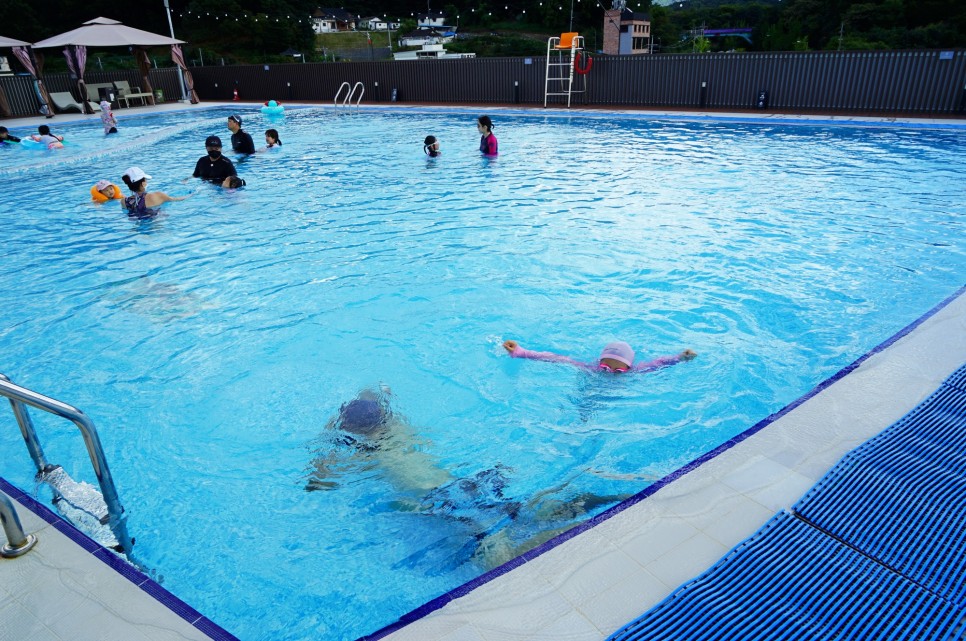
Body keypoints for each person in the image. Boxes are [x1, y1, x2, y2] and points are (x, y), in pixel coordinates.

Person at [502, 339, 696, 373]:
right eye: (605, 368)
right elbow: (554, 358)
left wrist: (681, 357)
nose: (610, 373)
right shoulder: (589, 369)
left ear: (628, 368)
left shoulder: (636, 372)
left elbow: (659, 363)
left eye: (618, 370)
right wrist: (521, 352)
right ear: (598, 363)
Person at [121, 166, 187, 218]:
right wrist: (193, 194)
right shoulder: (157, 196)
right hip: (157, 225)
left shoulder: (124, 201)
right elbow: (176, 199)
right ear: (143, 183)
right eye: (145, 179)